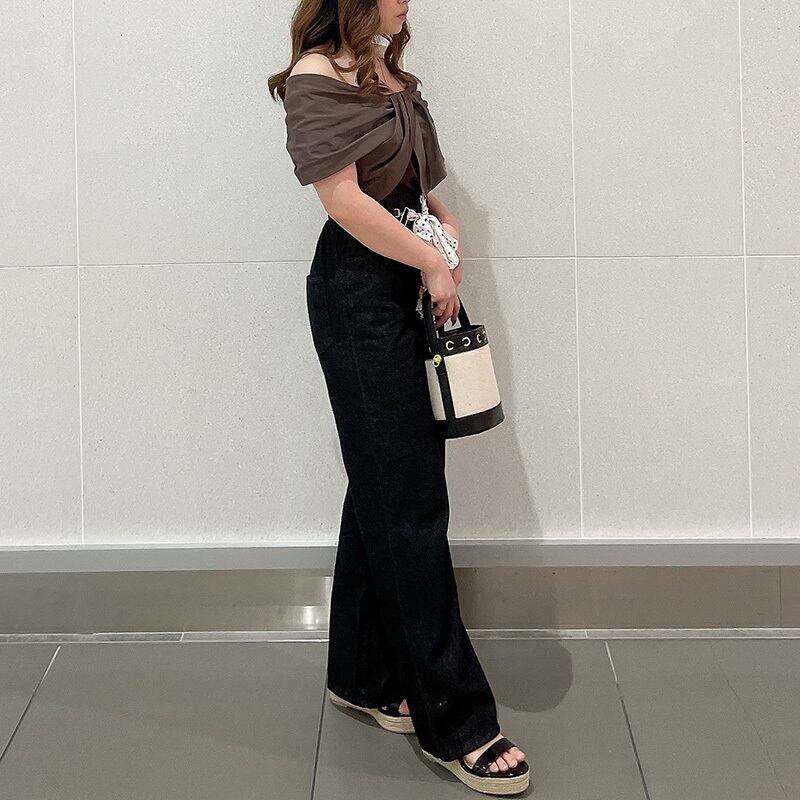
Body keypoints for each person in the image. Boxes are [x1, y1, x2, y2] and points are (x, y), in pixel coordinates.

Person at [269, 1, 530, 794]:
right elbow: (344, 201)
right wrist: (429, 261)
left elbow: (417, 183)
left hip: (405, 282)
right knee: (409, 499)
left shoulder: (382, 67)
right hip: (357, 296)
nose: (408, 0)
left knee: (386, 483)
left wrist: (446, 235)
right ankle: (457, 720)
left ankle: (362, 674)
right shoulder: (316, 77)